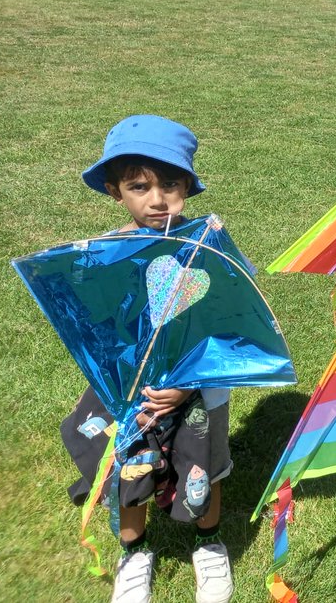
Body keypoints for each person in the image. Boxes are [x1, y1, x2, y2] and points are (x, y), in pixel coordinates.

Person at [64, 115, 234, 603]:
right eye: (139, 186)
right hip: (127, 391)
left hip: (198, 384)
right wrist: (124, 384)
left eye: (170, 184)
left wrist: (187, 384)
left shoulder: (205, 246)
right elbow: (96, 329)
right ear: (116, 191)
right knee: (128, 468)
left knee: (202, 466)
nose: (157, 199)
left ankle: (208, 542)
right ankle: (134, 552)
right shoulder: (105, 255)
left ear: (187, 187)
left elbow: (225, 325)